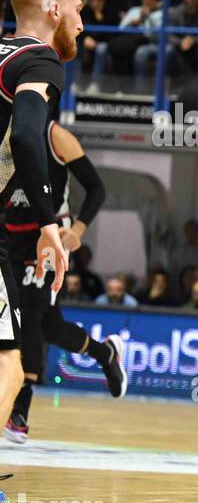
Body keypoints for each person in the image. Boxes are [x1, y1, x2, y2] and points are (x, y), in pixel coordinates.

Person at [0, 0, 78, 503]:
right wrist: (50, 222)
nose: (81, 18)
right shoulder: (38, 59)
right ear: (52, 8)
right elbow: (28, 136)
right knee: (6, 358)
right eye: (76, 6)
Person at [2, 122, 127, 445]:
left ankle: (20, 412)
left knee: (28, 314)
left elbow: (96, 188)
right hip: (10, 237)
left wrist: (79, 230)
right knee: (49, 326)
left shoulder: (55, 137)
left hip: (49, 235)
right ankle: (105, 353)